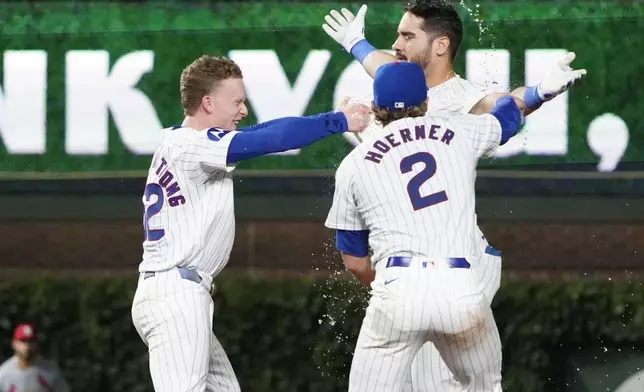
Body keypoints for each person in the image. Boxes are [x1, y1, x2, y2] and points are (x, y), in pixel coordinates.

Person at [322, 1, 586, 390]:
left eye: (407, 36)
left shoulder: (461, 97)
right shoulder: (407, 87)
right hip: (437, 270)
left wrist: (538, 93)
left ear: (441, 45)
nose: (396, 44)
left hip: (453, 258)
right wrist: (356, 44)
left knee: (435, 383)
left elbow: (504, 103)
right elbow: (506, 114)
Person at [129, 54, 369, 392]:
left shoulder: (179, 140)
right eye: (237, 102)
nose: (243, 110)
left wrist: (330, 118)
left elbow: (263, 131)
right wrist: (337, 121)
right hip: (176, 295)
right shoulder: (190, 146)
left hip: (174, 291)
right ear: (208, 103)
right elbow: (273, 140)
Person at [325, 60, 524, 391]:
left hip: (398, 285)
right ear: (427, 103)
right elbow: (508, 117)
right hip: (460, 288)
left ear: (375, 109)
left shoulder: (354, 164)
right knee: (485, 386)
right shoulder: (457, 130)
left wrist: (393, 285)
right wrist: (530, 94)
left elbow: (355, 262)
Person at [0, 323, 70, 392]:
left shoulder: (51, 371)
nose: (27, 346)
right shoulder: (3, 374)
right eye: (23, 341)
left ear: (36, 344)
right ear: (14, 344)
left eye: (31, 341)